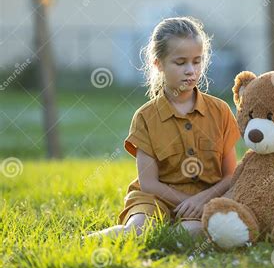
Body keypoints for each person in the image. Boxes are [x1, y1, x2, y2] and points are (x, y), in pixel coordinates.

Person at [87, 16, 240, 239]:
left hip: (206, 199)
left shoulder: (220, 111)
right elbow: (149, 184)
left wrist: (200, 200)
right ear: (158, 63)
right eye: (180, 63)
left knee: (190, 233)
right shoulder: (146, 117)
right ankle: (86, 241)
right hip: (155, 198)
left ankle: (176, 231)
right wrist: (186, 202)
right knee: (137, 230)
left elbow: (230, 176)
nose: (191, 70)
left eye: (197, 61)